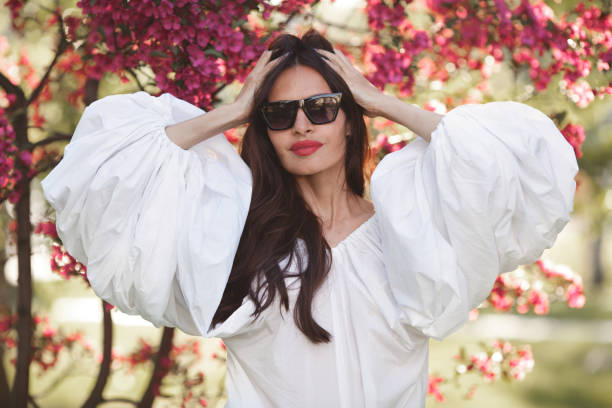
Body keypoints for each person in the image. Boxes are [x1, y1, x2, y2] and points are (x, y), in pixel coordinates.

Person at [41, 29, 579, 407]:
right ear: (264, 129)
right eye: (278, 114)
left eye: (322, 107)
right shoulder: (238, 239)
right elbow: (106, 179)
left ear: (351, 120)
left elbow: (514, 164)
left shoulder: (409, 230)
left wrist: (381, 100)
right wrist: (233, 110)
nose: (301, 125)